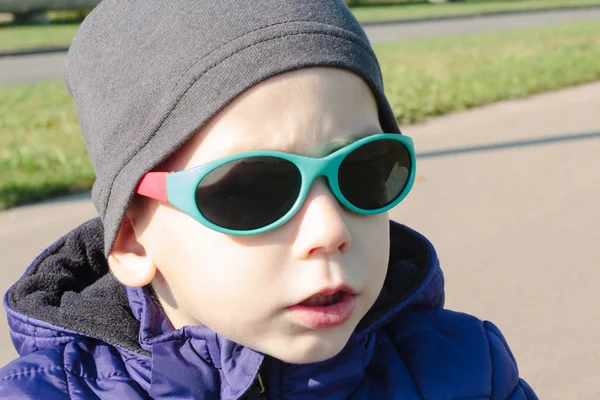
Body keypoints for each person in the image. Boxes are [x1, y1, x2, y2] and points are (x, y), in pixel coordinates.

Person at [0, 1, 538, 399]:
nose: (330, 229)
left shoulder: (470, 372)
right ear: (133, 239)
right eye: (251, 189)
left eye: (363, 171)